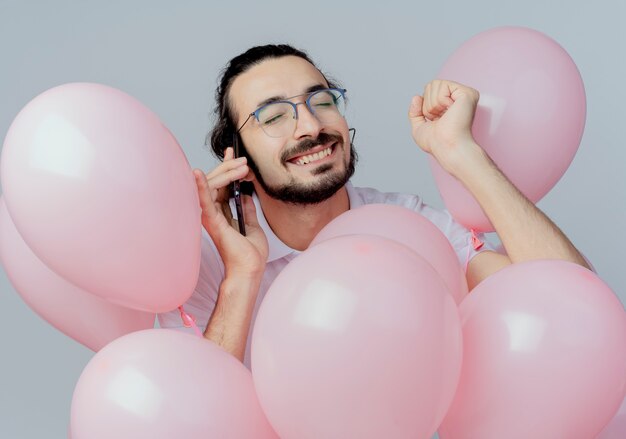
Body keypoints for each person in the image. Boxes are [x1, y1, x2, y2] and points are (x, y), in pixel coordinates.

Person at [158, 44, 589, 367]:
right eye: (273, 117)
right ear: (238, 160)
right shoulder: (202, 267)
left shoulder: (410, 227)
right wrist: (242, 276)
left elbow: (576, 306)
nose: (310, 126)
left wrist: (463, 154)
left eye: (322, 101)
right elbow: (196, 416)